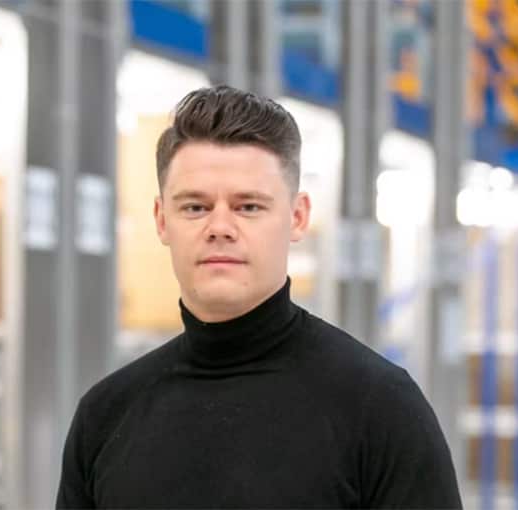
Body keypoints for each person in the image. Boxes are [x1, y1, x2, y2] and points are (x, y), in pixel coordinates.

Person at [56, 85, 462, 509]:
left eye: (248, 207)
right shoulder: (105, 417)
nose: (220, 227)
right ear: (161, 220)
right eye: (195, 207)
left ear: (298, 217)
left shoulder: (381, 409)